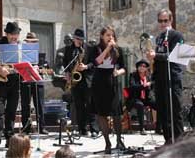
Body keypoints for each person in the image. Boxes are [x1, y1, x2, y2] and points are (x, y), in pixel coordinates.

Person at [147, 9, 184, 145]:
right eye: (160, 21)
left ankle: (179, 142)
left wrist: (156, 56)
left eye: (165, 21)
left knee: (175, 111)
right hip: (160, 78)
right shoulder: (159, 38)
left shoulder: (176, 35)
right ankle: (168, 140)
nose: (163, 24)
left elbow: (175, 56)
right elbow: (159, 58)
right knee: (163, 111)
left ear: (171, 20)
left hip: (173, 77)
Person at [89, 25, 126, 154]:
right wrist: (108, 49)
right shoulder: (95, 48)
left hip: (112, 79)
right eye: (108, 35)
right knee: (102, 114)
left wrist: (118, 72)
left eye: (112, 35)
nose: (110, 37)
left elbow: (123, 67)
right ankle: (107, 143)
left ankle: (119, 140)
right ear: (102, 36)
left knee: (116, 112)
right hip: (99, 80)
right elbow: (96, 62)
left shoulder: (118, 49)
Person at [63, 28, 98, 137]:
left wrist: (86, 66)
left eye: (81, 39)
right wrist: (68, 74)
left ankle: (94, 129)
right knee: (78, 105)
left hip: (87, 80)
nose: (79, 41)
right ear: (73, 38)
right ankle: (82, 129)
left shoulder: (89, 48)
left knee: (90, 104)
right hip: (75, 80)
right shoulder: (68, 49)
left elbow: (94, 63)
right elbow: (65, 62)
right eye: (77, 39)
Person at [20, 32, 49, 135]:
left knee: (40, 105)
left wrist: (40, 69)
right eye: (29, 42)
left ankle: (41, 127)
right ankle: (26, 127)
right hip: (25, 81)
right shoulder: (21, 55)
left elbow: (46, 69)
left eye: (33, 42)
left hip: (38, 82)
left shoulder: (41, 55)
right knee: (25, 105)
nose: (31, 44)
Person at [127, 59, 156, 135]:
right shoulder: (133, 75)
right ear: (137, 67)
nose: (142, 67)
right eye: (140, 66)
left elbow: (152, 86)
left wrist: (150, 85)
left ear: (146, 68)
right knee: (140, 105)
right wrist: (143, 86)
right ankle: (141, 128)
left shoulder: (148, 77)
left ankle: (159, 127)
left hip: (146, 98)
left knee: (157, 104)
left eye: (144, 66)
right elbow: (133, 86)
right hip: (135, 98)